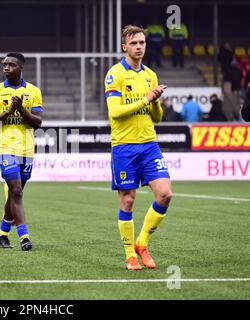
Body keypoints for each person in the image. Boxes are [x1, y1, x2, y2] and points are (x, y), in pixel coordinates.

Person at [104, 25, 172, 271]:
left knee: (165, 194)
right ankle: (130, 256)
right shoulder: (115, 74)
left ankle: (142, 243)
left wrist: (154, 101)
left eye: (142, 42)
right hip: (124, 146)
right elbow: (115, 112)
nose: (139, 47)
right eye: (134, 43)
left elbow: (157, 117)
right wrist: (145, 99)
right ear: (125, 47)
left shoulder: (150, 75)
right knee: (128, 200)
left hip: (149, 144)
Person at [0, 53, 43, 251]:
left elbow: (38, 123)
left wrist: (21, 110)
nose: (6, 68)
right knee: (16, 191)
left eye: (11, 65)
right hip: (6, 148)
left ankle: (2, 234)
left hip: (27, 149)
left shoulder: (34, 91)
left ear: (21, 68)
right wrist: (8, 112)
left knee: (14, 194)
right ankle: (24, 236)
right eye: (4, 65)